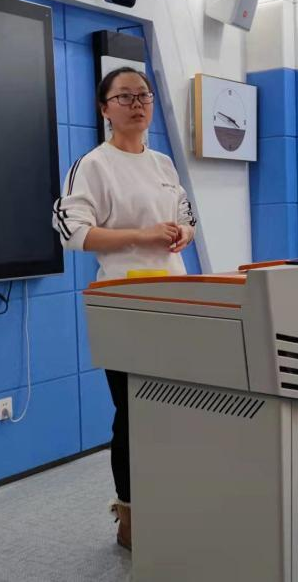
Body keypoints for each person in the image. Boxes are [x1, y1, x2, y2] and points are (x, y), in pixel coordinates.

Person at [52, 67, 197, 550]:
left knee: (175, 408)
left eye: (144, 96)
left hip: (174, 299)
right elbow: (72, 232)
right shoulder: (93, 165)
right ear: (104, 109)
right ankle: (130, 515)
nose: (137, 104)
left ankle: (171, 501)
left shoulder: (163, 164)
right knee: (134, 412)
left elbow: (187, 219)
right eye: (125, 97)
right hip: (124, 304)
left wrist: (182, 232)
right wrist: (141, 235)